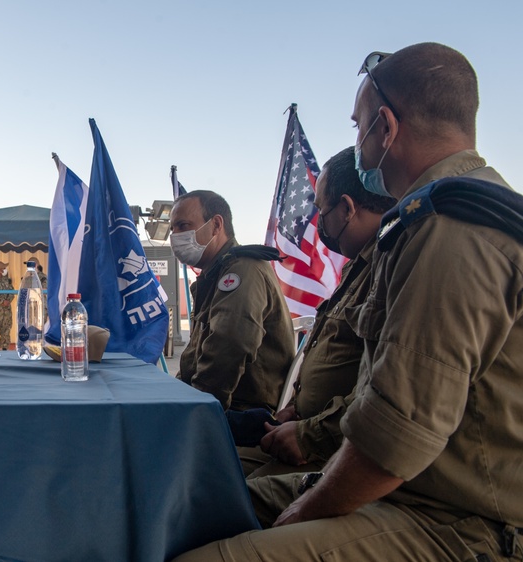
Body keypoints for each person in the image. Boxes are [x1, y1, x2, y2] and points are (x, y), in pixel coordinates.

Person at [176, 43, 523, 561]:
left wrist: (306, 509)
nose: (357, 143)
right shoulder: (439, 217)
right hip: (404, 489)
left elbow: (394, 435)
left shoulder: (448, 228)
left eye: (359, 125)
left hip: (450, 519)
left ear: (386, 127)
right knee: (188, 508)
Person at [236, 146, 396, 477]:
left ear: (347, 208)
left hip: (333, 449)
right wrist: (296, 411)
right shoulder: (357, 267)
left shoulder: (389, 267)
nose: (319, 222)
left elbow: (385, 391)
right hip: (303, 430)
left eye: (321, 210)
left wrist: (309, 434)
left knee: (221, 494)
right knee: (205, 461)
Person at [170, 190, 294, 412]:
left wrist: (195, 410)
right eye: (173, 229)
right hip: (220, 403)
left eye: (183, 225)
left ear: (216, 225)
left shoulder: (243, 270)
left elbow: (228, 349)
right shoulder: (215, 275)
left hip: (241, 410)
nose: (175, 236)